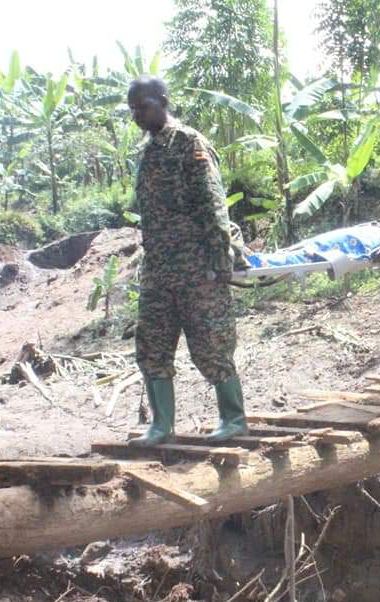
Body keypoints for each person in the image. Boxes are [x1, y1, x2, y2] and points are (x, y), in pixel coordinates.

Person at [126, 76, 250, 446]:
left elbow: (213, 206)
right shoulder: (148, 153)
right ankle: (161, 426)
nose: (137, 115)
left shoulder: (189, 144)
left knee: (212, 344)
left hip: (199, 268)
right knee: (151, 345)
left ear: (163, 101)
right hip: (159, 271)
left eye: (142, 106)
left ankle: (234, 418)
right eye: (132, 109)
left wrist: (220, 258)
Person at [244, 219, 380, 269]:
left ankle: (258, 263)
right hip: (363, 233)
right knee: (313, 243)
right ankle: (261, 258)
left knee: (313, 254)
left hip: (370, 244)